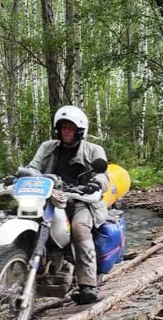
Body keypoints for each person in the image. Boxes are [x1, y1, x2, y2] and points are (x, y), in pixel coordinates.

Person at [26, 106, 109, 305]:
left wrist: (95, 184)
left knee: (79, 229)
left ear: (80, 130)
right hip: (50, 198)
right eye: (63, 128)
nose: (67, 131)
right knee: (26, 221)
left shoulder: (93, 150)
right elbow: (33, 167)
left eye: (71, 128)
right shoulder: (47, 147)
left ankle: (88, 285)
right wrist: (22, 175)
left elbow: (104, 176)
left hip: (82, 201)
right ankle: (17, 274)